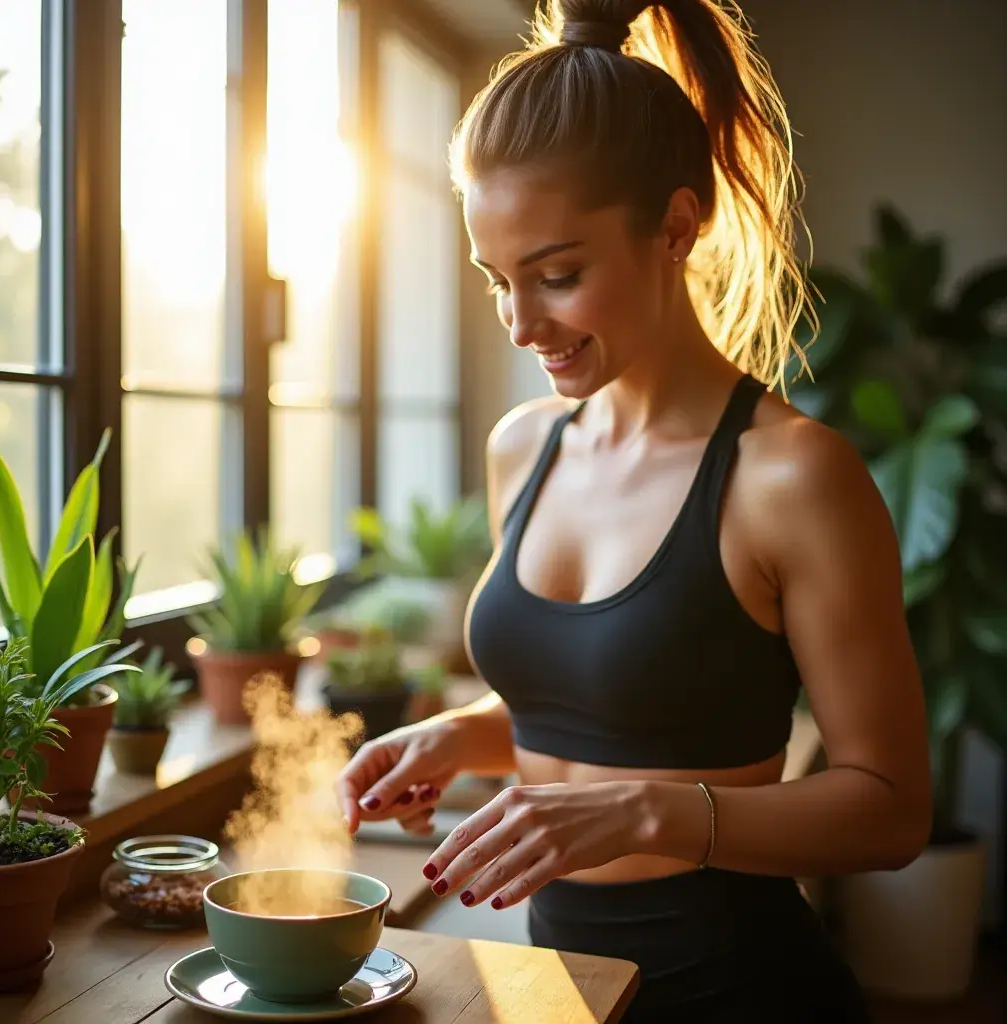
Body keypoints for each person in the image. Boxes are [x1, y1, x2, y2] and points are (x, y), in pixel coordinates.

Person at [336, 1, 932, 1020]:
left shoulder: (790, 478)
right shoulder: (522, 448)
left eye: (558, 275)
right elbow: (602, 709)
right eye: (497, 281)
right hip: (562, 991)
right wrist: (458, 738)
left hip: (740, 988)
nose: (523, 324)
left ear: (675, 225)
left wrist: (651, 811)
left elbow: (889, 810)